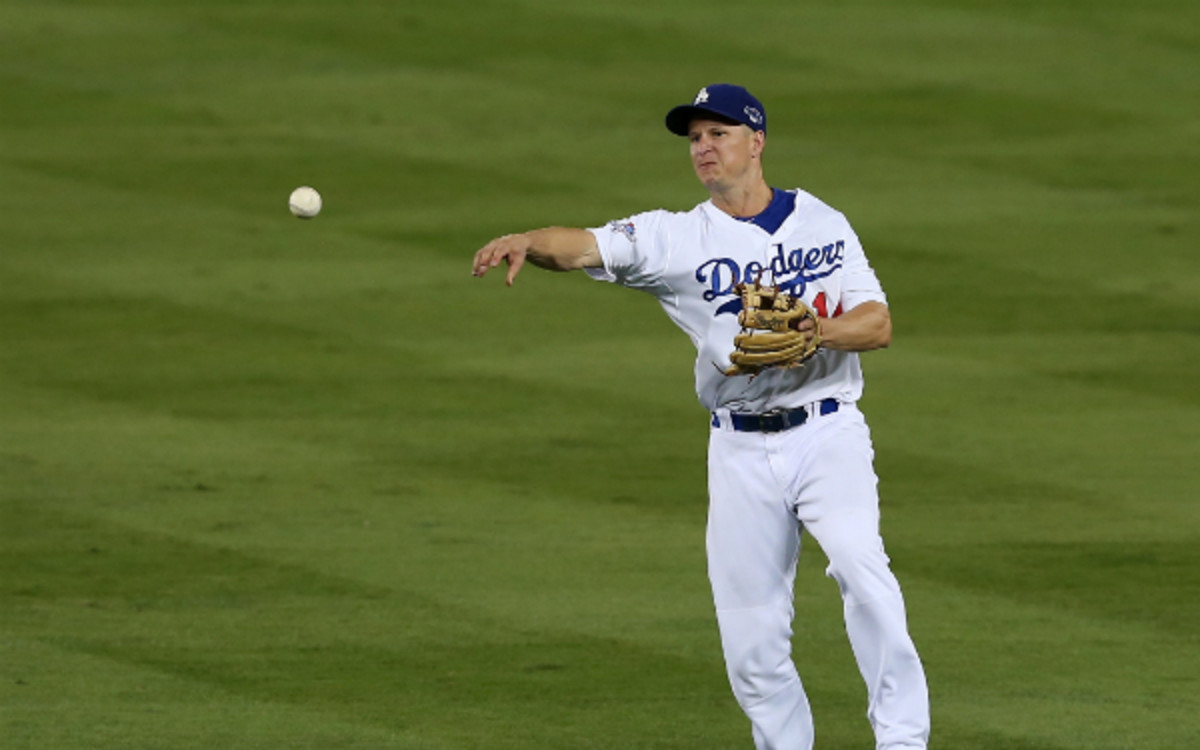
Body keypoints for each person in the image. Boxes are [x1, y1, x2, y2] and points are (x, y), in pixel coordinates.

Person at [471, 83, 930, 750]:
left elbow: (878, 323)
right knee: (751, 640)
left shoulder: (823, 221)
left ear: (757, 141)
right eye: (694, 138)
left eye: (718, 133)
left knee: (863, 570)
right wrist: (526, 240)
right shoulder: (676, 237)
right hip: (740, 449)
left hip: (827, 428)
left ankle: (904, 742)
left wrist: (814, 335)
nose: (703, 148)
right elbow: (580, 246)